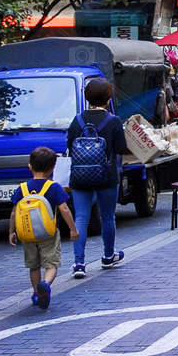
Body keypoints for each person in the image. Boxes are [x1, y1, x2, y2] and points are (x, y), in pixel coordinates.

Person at [66, 76, 128, 279]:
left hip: (80, 175)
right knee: (107, 216)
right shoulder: (113, 121)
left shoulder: (77, 120)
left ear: (87, 98)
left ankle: (79, 262)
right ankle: (108, 256)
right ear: (108, 99)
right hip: (106, 175)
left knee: (81, 218)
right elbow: (120, 148)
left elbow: (69, 147)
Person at [10, 146, 76, 311]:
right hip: (48, 233)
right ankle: (45, 284)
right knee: (51, 263)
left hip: (27, 234)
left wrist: (12, 231)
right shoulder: (53, 187)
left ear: (30, 166)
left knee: (33, 266)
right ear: (53, 168)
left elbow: (13, 213)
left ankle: (35, 293)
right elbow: (64, 209)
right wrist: (73, 229)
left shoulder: (23, 188)